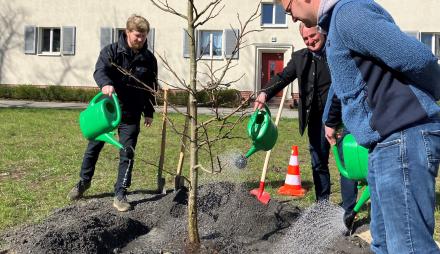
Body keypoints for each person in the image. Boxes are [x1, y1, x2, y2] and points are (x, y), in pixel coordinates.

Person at [279, 0, 440, 253]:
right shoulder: (336, 26)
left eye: (290, 11)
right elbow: (345, 83)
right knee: (383, 244)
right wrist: (330, 122)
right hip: (384, 143)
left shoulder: (349, 14)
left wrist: (428, 97)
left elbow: (418, 58)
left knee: (409, 247)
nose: (292, 18)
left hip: (401, 137)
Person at [253, 23, 358, 215]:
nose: (310, 41)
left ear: (322, 33)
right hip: (316, 120)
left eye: (313, 36)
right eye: (306, 39)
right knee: (318, 163)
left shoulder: (338, 54)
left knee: (346, 164)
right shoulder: (300, 58)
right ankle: (322, 206)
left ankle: (348, 210)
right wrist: (264, 94)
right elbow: (283, 77)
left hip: (342, 119)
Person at [68, 14, 158, 212]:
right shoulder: (111, 51)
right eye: (137, 35)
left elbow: (151, 87)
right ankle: (83, 182)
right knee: (94, 146)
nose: (141, 40)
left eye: (144, 36)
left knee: (127, 152)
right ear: (127, 32)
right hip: (108, 109)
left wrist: (149, 111)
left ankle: (121, 193)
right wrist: (105, 84)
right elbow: (100, 70)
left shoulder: (149, 59)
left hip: (131, 113)